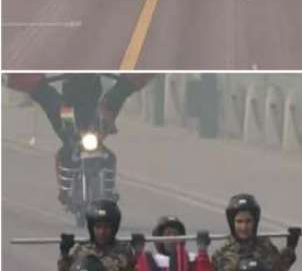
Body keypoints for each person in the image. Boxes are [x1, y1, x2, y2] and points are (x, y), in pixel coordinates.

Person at [5, 74, 152, 203]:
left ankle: (109, 191)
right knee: (66, 149)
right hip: (70, 114)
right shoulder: (64, 109)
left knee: (109, 156)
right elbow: (46, 96)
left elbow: (117, 98)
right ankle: (64, 191)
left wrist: (107, 123)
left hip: (92, 121)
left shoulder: (102, 107)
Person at [211, 194, 301, 271]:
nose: (244, 227)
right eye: (239, 221)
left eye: (248, 221)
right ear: (232, 223)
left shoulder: (265, 246)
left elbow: (279, 268)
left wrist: (291, 247)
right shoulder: (222, 254)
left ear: (255, 222)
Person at [58, 200, 136, 271]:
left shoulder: (124, 250)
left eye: (106, 227)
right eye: (98, 227)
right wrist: (64, 252)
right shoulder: (81, 250)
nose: (102, 232)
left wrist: (139, 252)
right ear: (91, 228)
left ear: (114, 228)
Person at [134, 216, 213, 271]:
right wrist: (138, 251)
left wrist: (202, 250)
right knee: (144, 257)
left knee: (179, 254)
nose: (173, 238)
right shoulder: (151, 261)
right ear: (160, 240)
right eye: (168, 234)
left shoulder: (191, 259)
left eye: (176, 234)